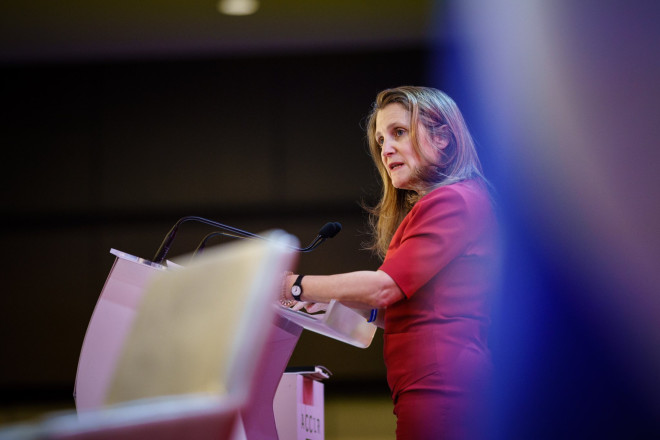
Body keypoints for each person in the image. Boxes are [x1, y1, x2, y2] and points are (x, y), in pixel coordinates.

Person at [280, 86, 499, 440]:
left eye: (398, 132)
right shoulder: (454, 200)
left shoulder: (452, 201)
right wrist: (321, 298)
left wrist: (292, 285)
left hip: (442, 388)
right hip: (431, 386)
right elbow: (391, 311)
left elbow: (383, 288)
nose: (386, 150)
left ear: (442, 137)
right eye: (381, 141)